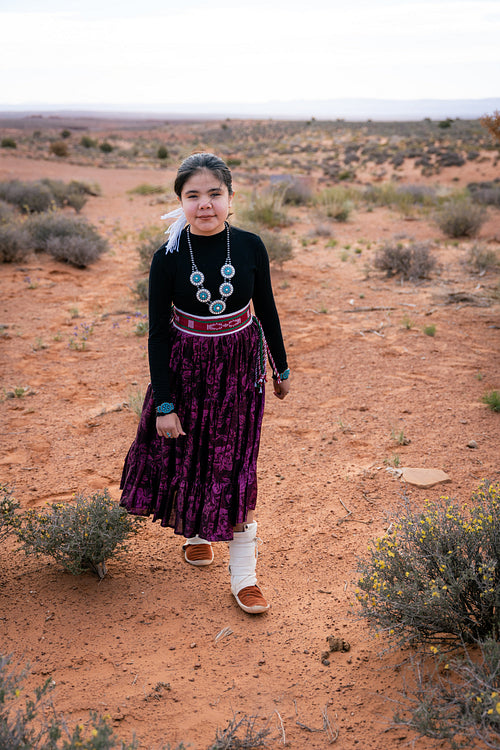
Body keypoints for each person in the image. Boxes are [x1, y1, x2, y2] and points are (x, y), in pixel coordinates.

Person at [120, 153, 289, 614]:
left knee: (235, 461)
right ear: (181, 202)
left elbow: (267, 308)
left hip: (240, 368)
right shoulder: (167, 258)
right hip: (185, 368)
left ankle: (245, 577)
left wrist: (281, 367)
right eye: (193, 195)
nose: (205, 205)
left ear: (230, 199)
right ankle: (195, 532)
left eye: (215, 194)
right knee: (189, 452)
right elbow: (156, 333)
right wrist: (164, 404)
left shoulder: (252, 246)